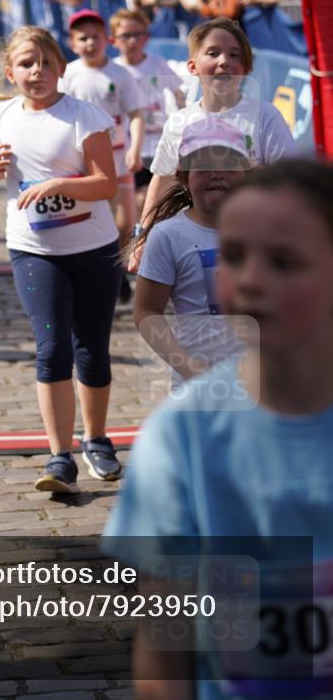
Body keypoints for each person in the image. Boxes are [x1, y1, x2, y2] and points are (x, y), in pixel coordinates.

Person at [105, 158, 333, 700]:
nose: (252, 279)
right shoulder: (182, 436)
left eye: (284, 261)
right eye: (233, 256)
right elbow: (164, 646)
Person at [0, 26, 123, 494]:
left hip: (95, 250)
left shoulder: (84, 117)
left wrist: (59, 186)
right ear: (10, 72)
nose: (36, 72)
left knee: (91, 349)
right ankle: (59, 457)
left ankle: (95, 439)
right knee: (51, 348)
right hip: (35, 251)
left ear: (61, 68)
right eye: (26, 64)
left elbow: (106, 184)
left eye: (45, 63)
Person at [131, 118, 251, 389]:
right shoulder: (168, 236)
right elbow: (147, 311)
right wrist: (191, 368)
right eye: (204, 165)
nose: (217, 173)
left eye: (229, 165)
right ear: (183, 176)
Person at [142, 18, 296, 224]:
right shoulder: (179, 122)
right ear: (192, 66)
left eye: (234, 55)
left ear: (246, 68)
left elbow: (291, 182)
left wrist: (241, 163)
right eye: (213, 53)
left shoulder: (266, 116)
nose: (224, 61)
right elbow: (163, 179)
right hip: (196, 239)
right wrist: (142, 234)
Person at [62, 10, 144, 302]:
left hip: (119, 157)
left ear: (106, 40)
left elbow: (136, 114)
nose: (90, 43)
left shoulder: (120, 74)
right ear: (72, 44)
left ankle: (118, 270)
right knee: (91, 220)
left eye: (96, 36)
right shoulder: (69, 74)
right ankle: (101, 277)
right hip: (84, 162)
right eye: (83, 38)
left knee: (124, 222)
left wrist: (135, 148)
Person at [109, 9, 186, 204]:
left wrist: (180, 126)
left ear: (147, 38)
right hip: (128, 147)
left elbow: (179, 95)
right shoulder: (113, 70)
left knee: (158, 199)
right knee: (134, 200)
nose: (133, 41)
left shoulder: (158, 65)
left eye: (138, 35)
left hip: (157, 145)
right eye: (126, 36)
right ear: (114, 40)